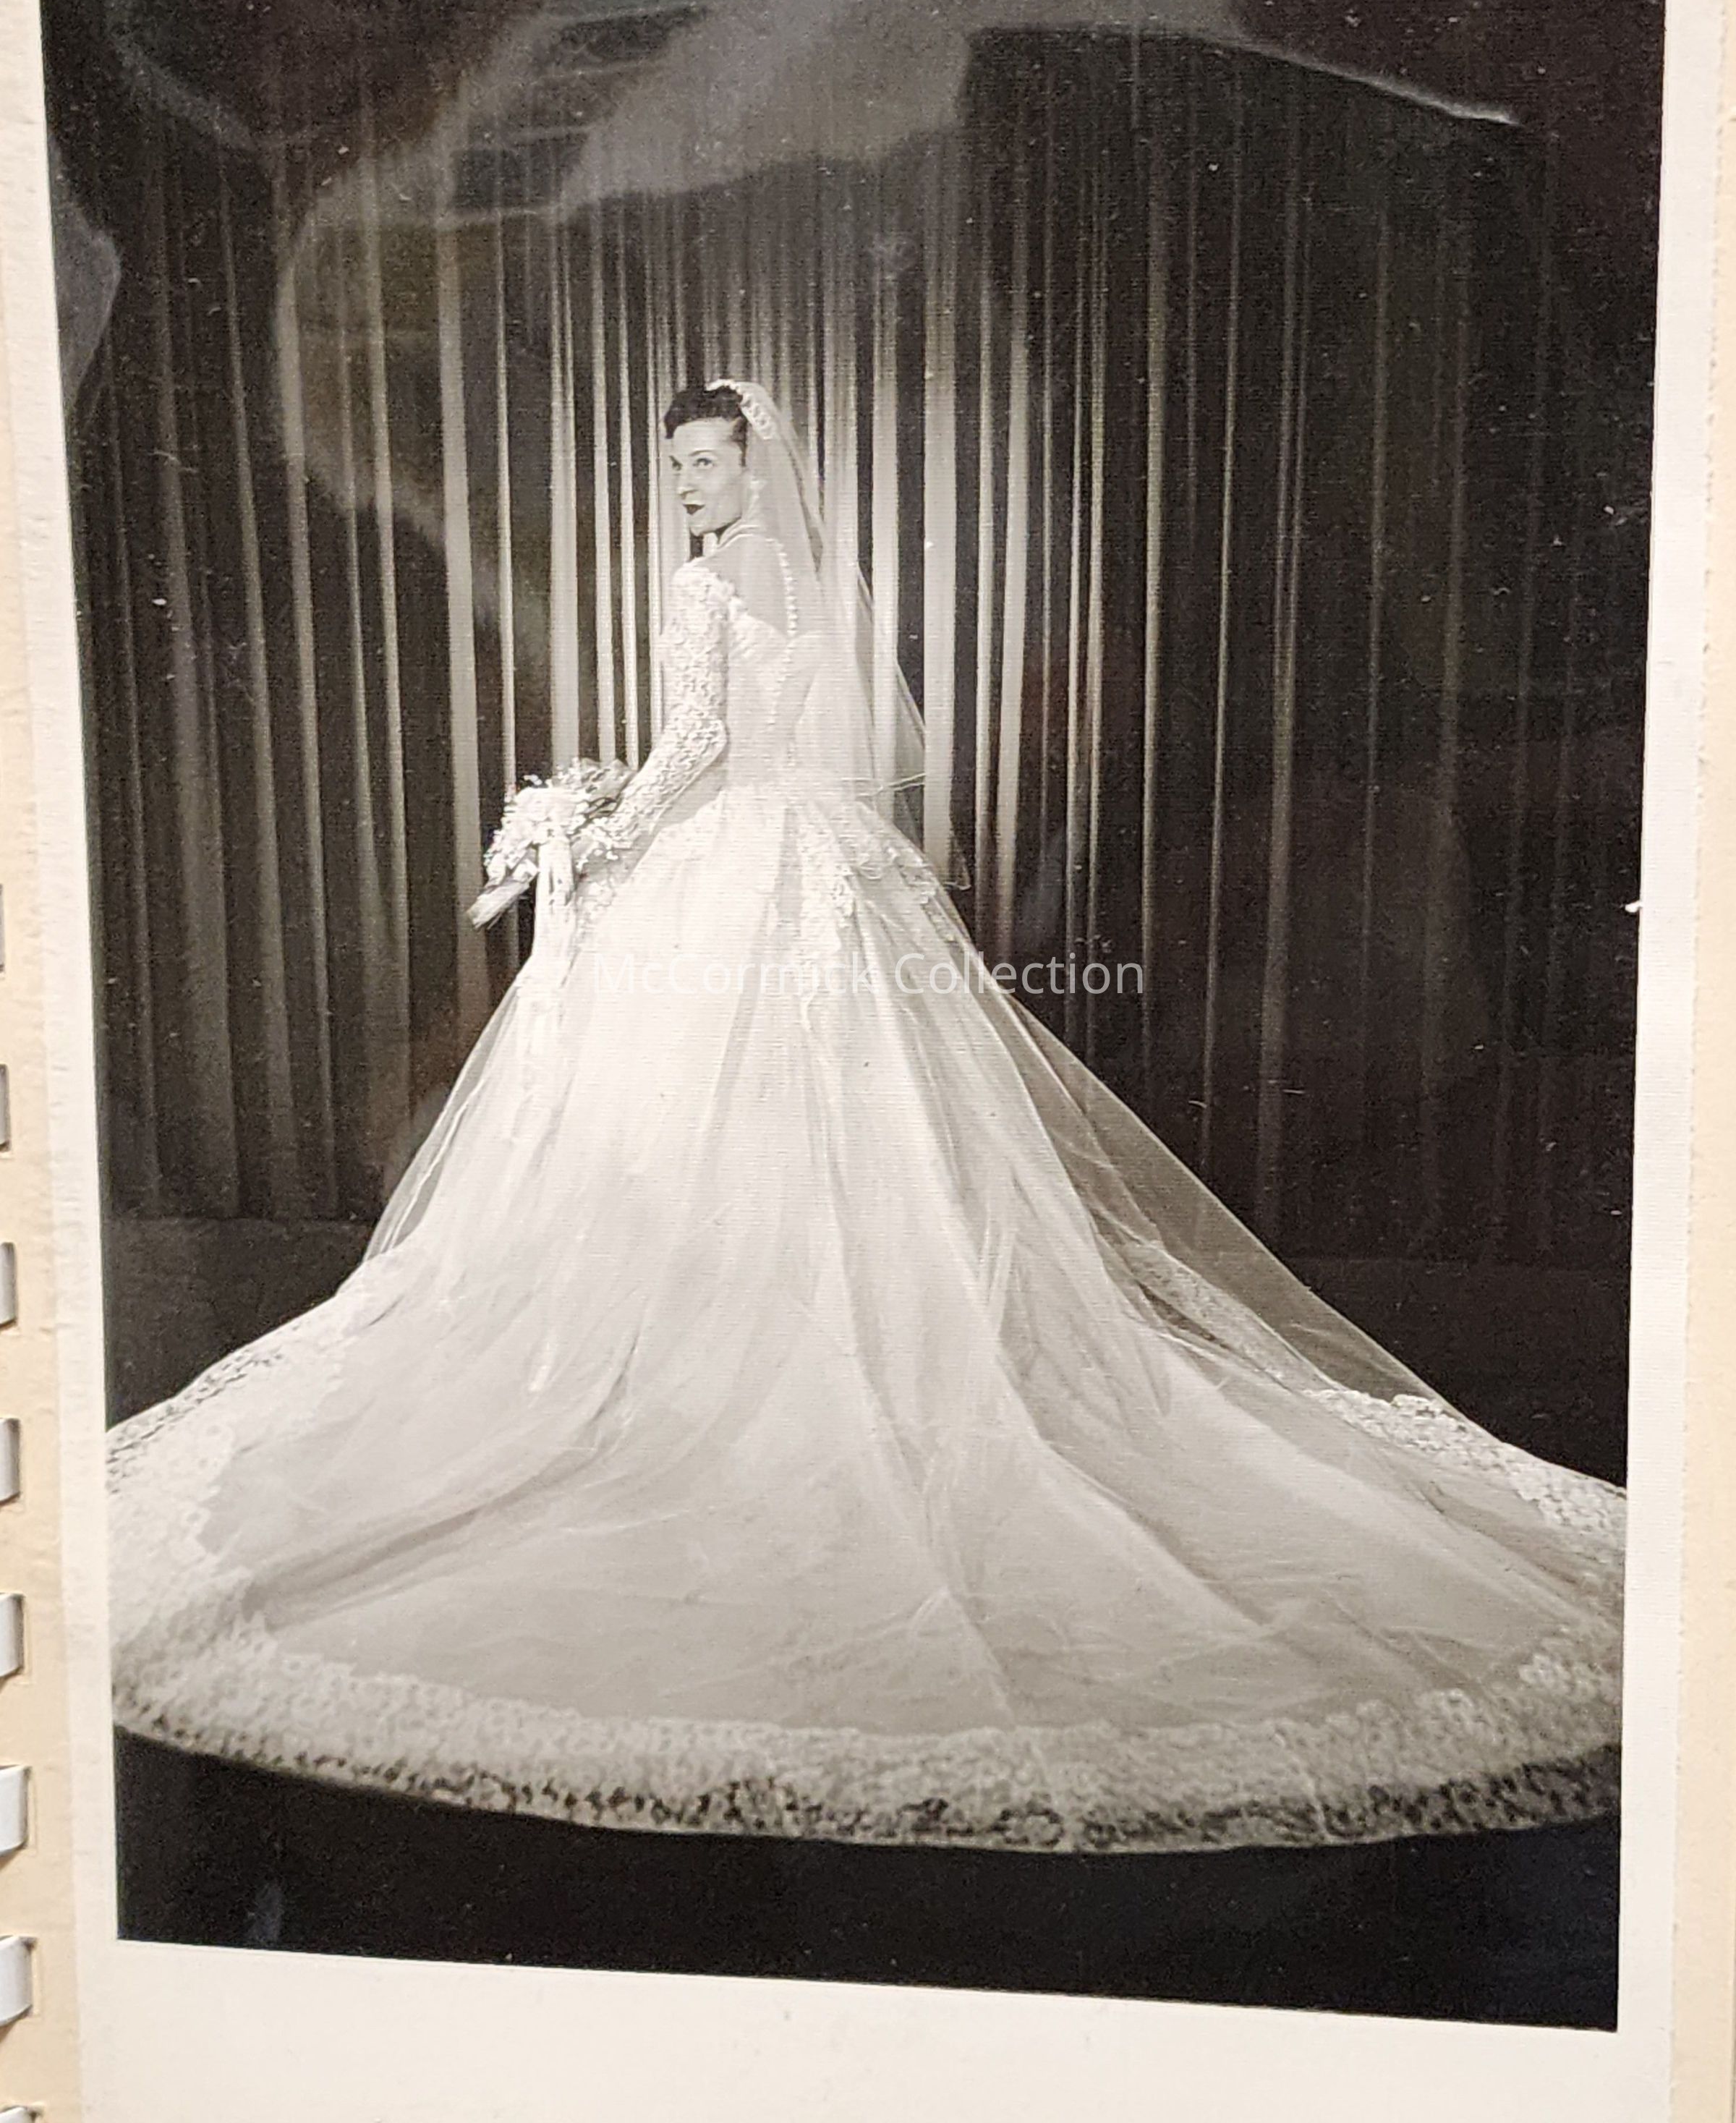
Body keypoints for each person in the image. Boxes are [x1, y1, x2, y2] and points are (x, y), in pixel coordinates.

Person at [109, 378, 1622, 1855]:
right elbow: (819, 744)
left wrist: (597, 837)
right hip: (829, 859)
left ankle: (721, 1355)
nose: (690, 488)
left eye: (707, 463)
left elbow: (695, 751)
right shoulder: (810, 578)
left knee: (721, 1108)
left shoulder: (707, 583)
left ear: (752, 464)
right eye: (678, 467)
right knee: (847, 1113)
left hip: (735, 859)